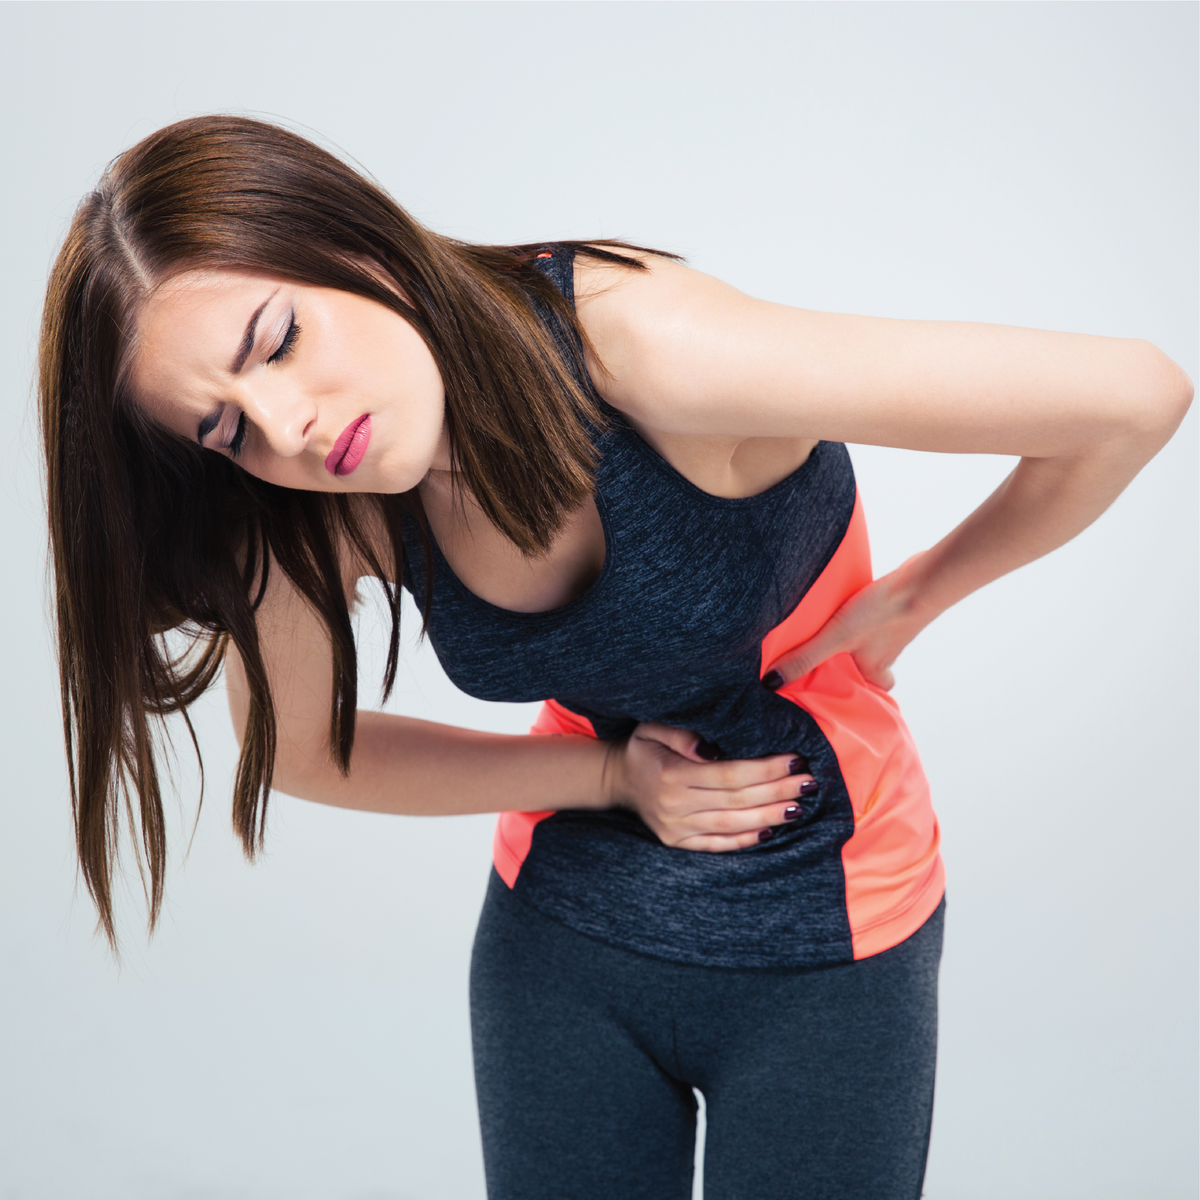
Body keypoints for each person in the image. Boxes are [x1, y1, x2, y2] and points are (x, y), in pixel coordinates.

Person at [38, 114, 1191, 1200]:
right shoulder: (313, 488)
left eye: (278, 340)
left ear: (354, 243)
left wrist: (921, 593)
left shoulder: (650, 349)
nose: (286, 424)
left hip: (828, 929)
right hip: (564, 943)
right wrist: (601, 776)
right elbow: (292, 747)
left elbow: (1132, 398)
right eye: (226, 424)